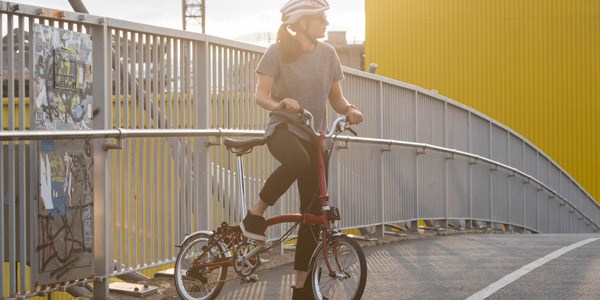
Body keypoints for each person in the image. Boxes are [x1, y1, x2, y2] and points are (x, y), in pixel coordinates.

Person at [239, 0, 364, 298]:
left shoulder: (328, 54)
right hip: (283, 130)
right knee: (297, 160)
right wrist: (280, 104)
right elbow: (260, 95)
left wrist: (350, 110)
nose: (326, 24)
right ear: (302, 22)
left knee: (312, 215)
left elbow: (336, 98)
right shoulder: (277, 51)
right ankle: (254, 216)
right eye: (321, 18)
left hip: (314, 137)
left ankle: (301, 288)